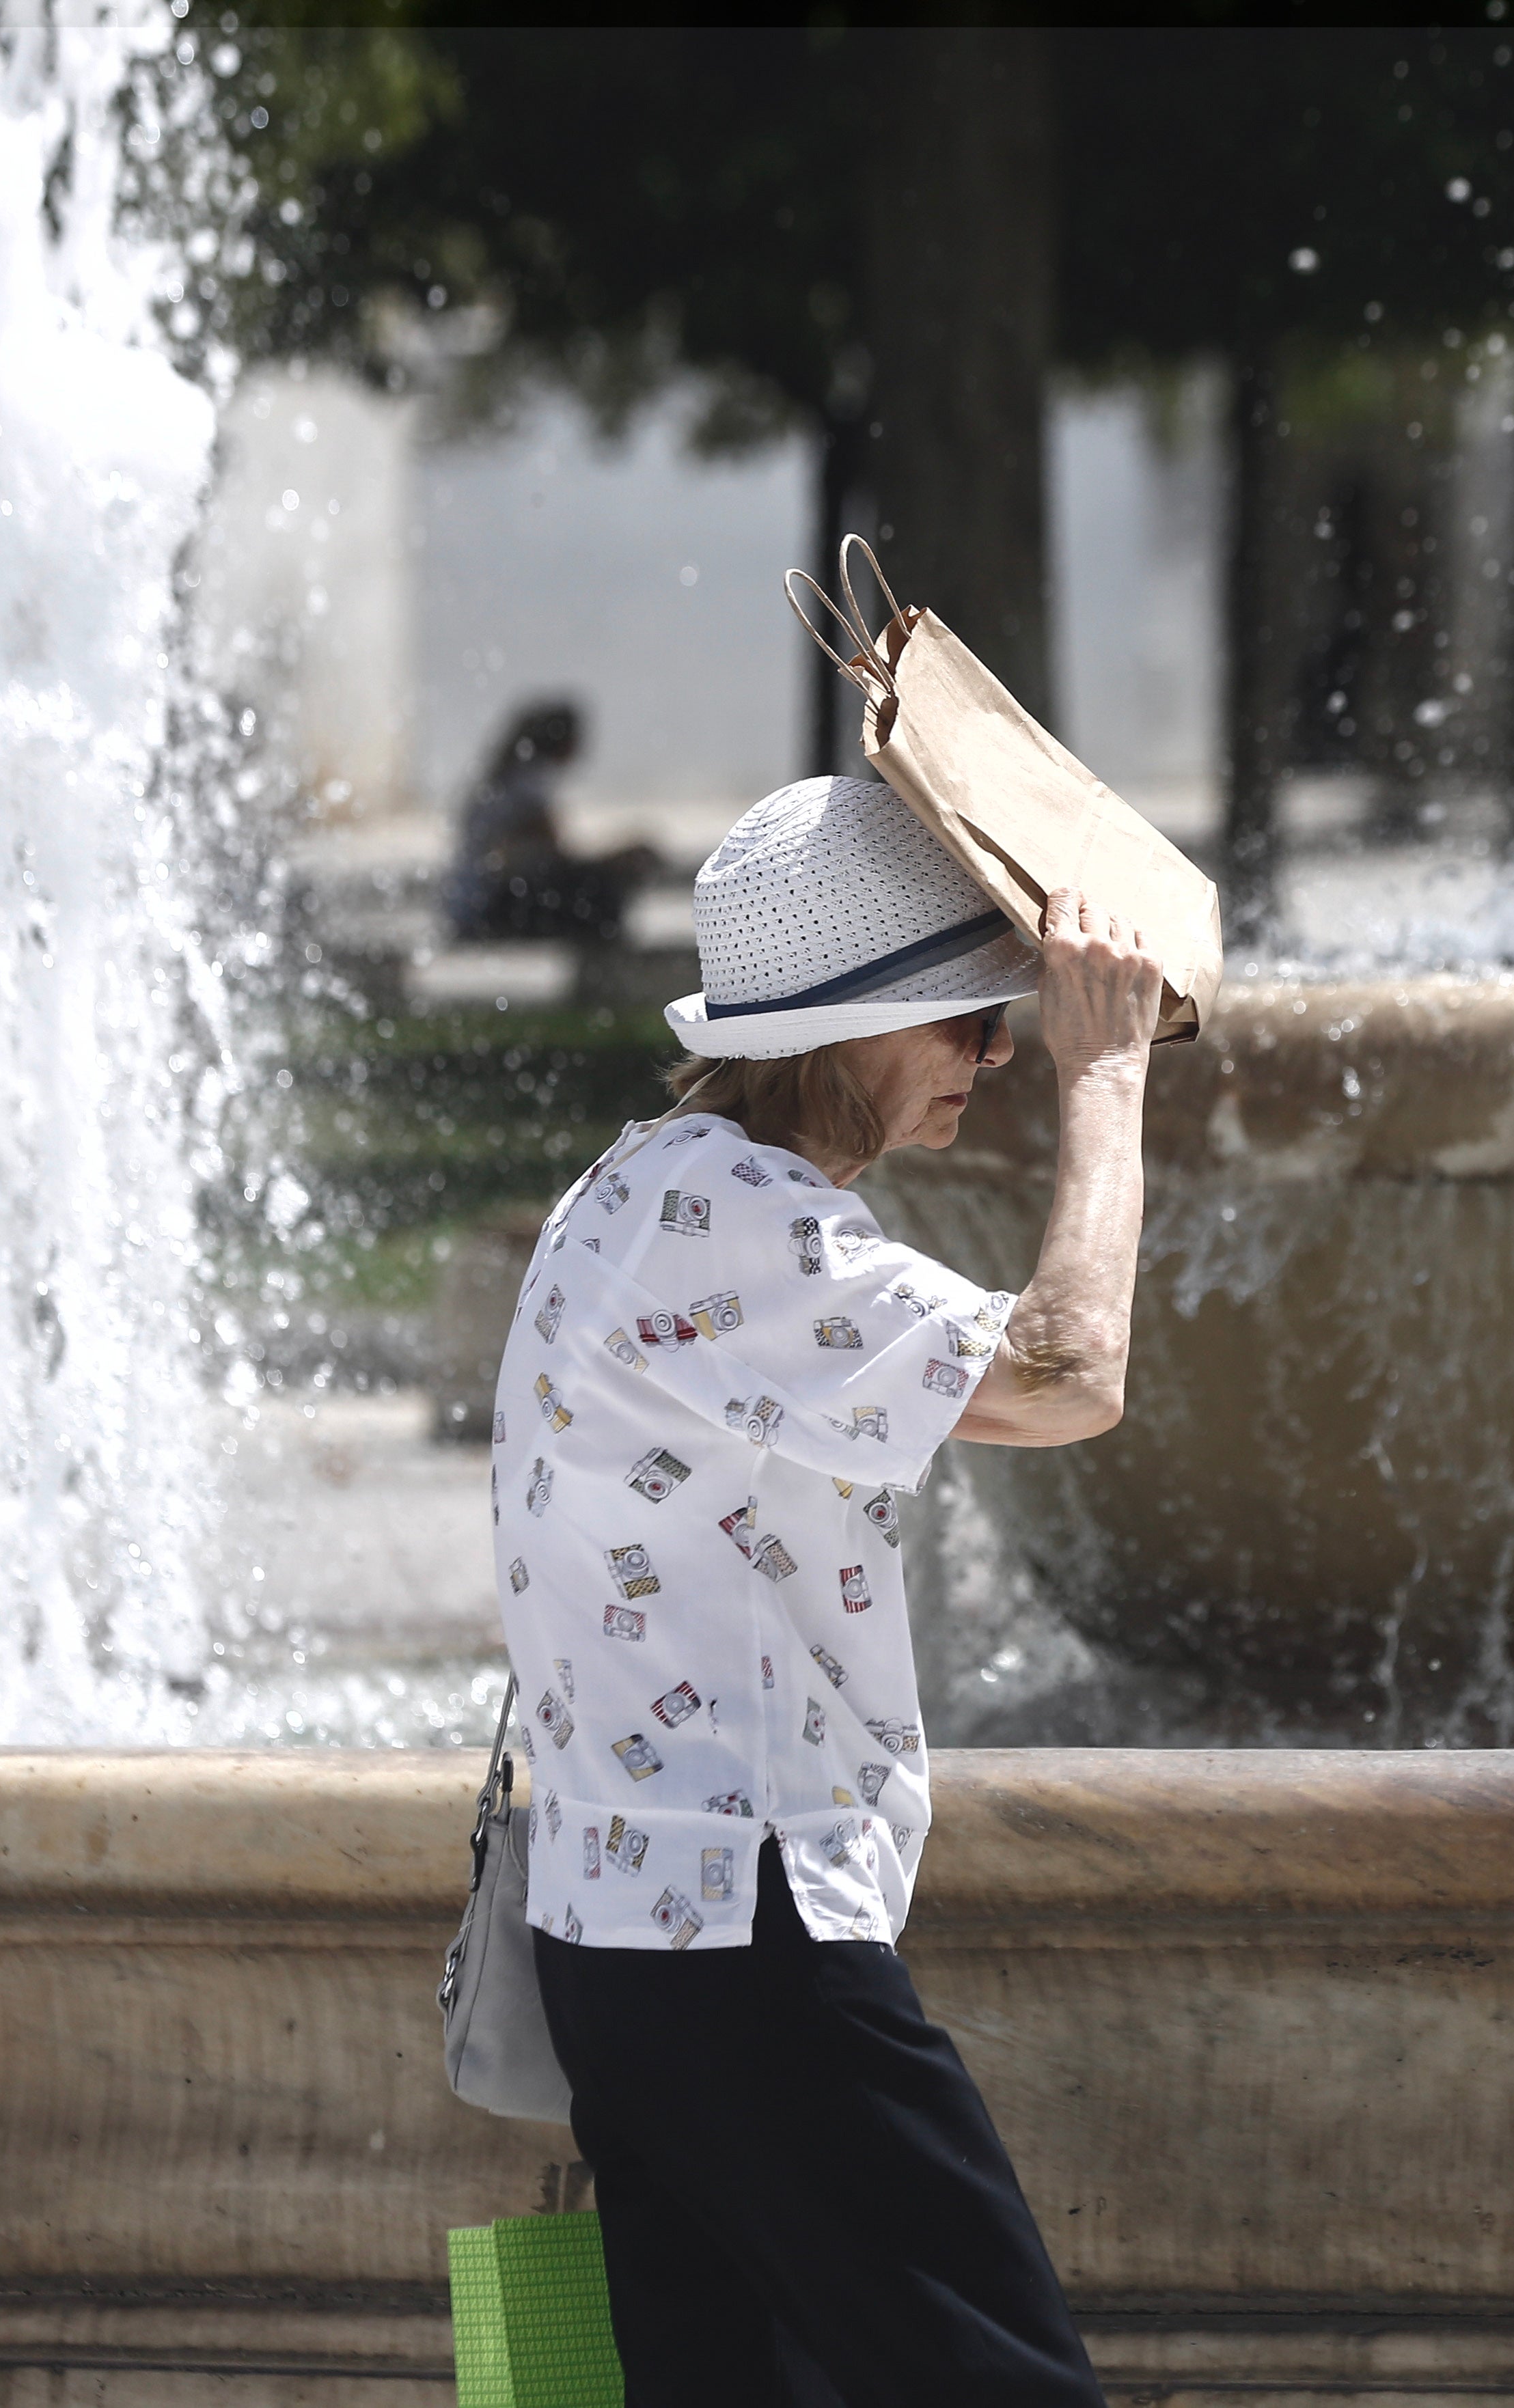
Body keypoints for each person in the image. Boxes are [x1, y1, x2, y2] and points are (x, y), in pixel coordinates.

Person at [491, 771, 1160, 2407]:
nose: (991, 1065)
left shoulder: (634, 1184)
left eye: (1004, 1032)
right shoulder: (733, 1223)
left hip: (620, 1926)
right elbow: (1070, 1371)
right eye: (967, 1028)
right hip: (747, 1934)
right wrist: (1112, 1077)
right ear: (845, 1027)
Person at [445, 697, 663, 942]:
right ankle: (609, 970)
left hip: (471, 907)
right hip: (484, 911)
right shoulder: (527, 785)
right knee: (600, 894)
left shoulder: (510, 778)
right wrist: (614, 859)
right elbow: (550, 854)